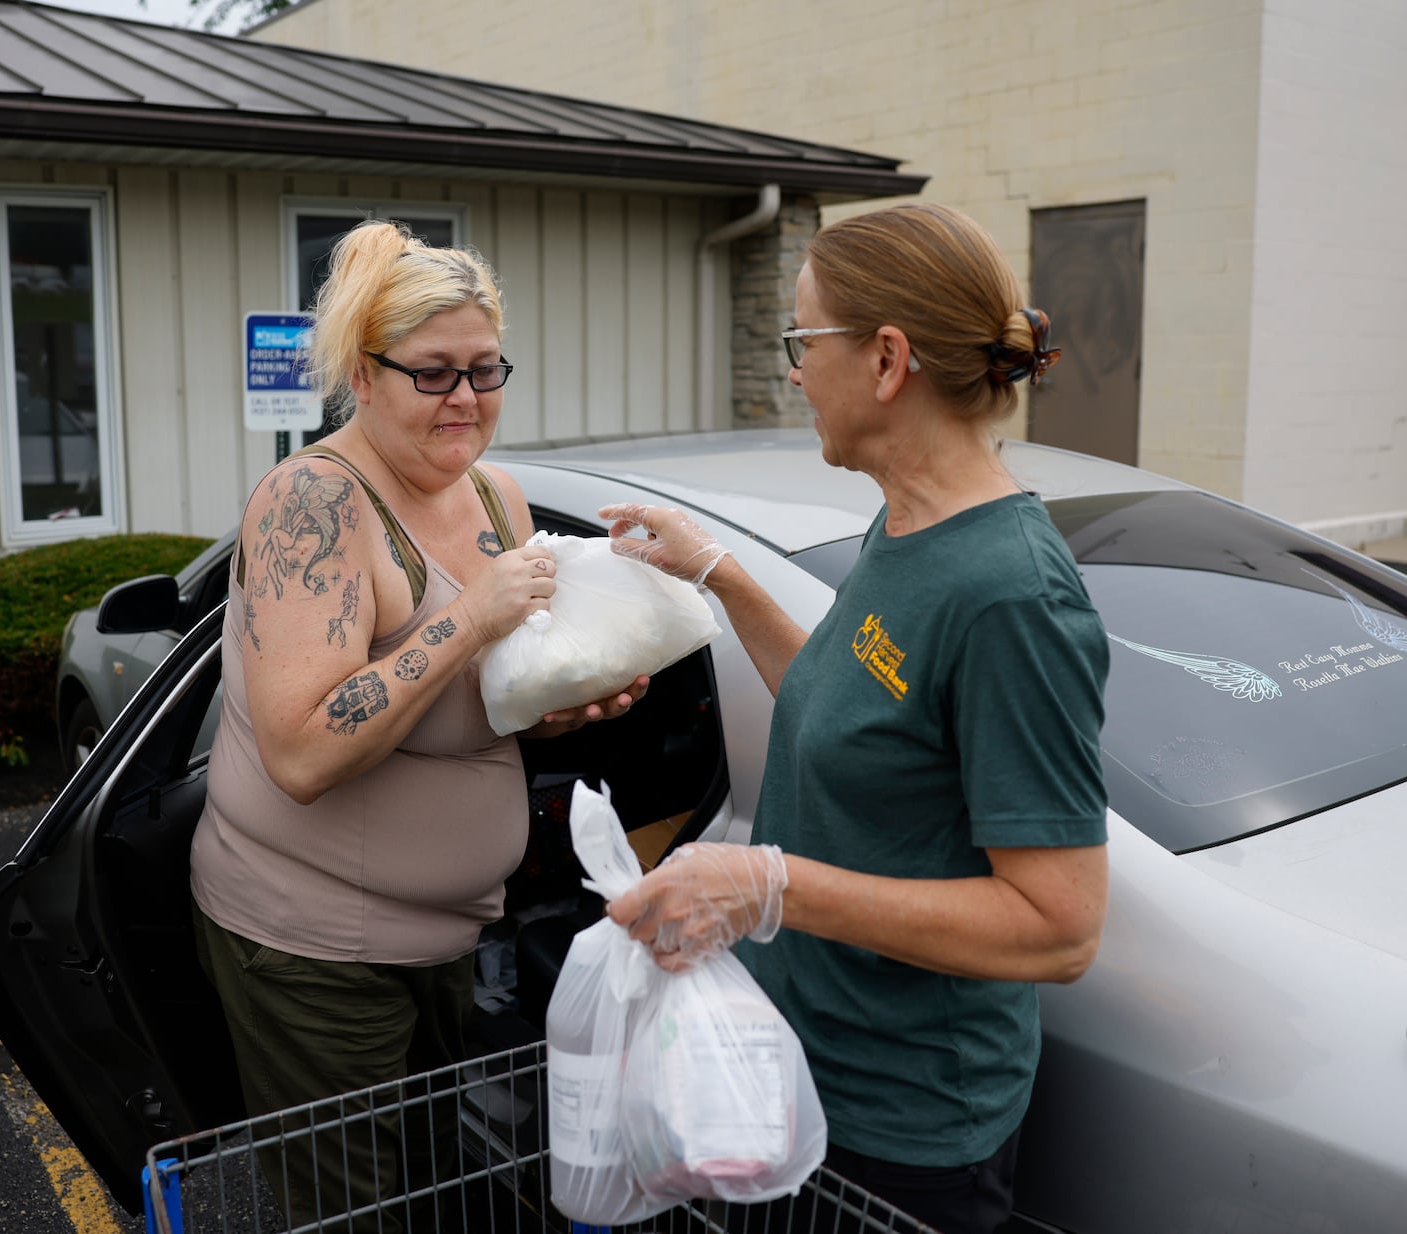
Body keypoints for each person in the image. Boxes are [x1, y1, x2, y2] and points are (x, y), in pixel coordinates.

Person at [600, 202, 1109, 1234]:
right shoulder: (905, 522)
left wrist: (766, 882)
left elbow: (1058, 927)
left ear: (885, 360)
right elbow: (856, 719)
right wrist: (720, 573)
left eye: (802, 342)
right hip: (802, 1068)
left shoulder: (1010, 595)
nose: (792, 372)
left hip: (905, 1132)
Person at [188, 220, 647, 1230]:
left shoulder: (497, 492)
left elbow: (488, 699)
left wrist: (568, 707)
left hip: (455, 935)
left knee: (434, 1194)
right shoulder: (312, 501)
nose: (467, 400)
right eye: (434, 374)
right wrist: (470, 614)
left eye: (486, 370)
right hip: (315, 948)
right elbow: (304, 751)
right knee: (357, 1213)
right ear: (364, 369)